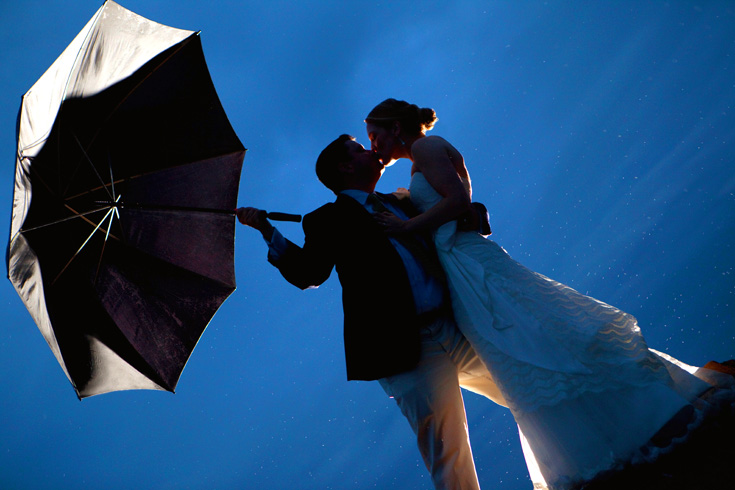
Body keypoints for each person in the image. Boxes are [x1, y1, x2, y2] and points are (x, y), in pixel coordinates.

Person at [364, 98, 735, 489]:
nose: (374, 146)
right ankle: (601, 438)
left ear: (395, 128)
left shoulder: (425, 147)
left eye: (374, 135)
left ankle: (633, 424)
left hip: (472, 264)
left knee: (537, 337)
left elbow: (458, 201)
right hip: (460, 271)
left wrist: (407, 228)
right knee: (521, 352)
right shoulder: (416, 162)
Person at [236, 135, 508, 490]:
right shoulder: (325, 220)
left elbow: (458, 220)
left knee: (520, 384)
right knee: (448, 450)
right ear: (346, 166)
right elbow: (309, 273)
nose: (370, 150)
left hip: (457, 324)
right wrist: (266, 229)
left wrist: (472, 212)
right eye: (359, 149)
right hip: (404, 348)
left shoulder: (403, 201)